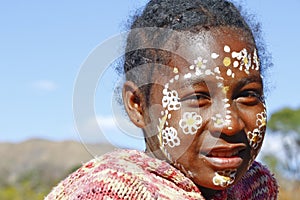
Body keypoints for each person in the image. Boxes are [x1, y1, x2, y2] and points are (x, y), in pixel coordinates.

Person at [45, 0, 278, 199]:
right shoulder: (109, 192)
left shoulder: (255, 187)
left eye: (248, 95)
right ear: (138, 106)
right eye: (198, 98)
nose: (230, 124)